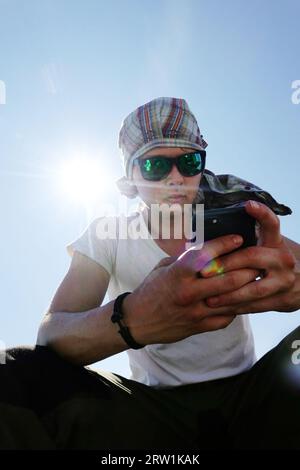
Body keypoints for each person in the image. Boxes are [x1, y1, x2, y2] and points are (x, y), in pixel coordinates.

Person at [1, 97, 300, 450]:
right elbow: (51, 336)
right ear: (129, 179)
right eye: (155, 165)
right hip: (156, 413)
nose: (175, 178)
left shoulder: (236, 215)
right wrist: (134, 321)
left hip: (256, 395)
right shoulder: (106, 236)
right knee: (12, 373)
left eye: (189, 162)